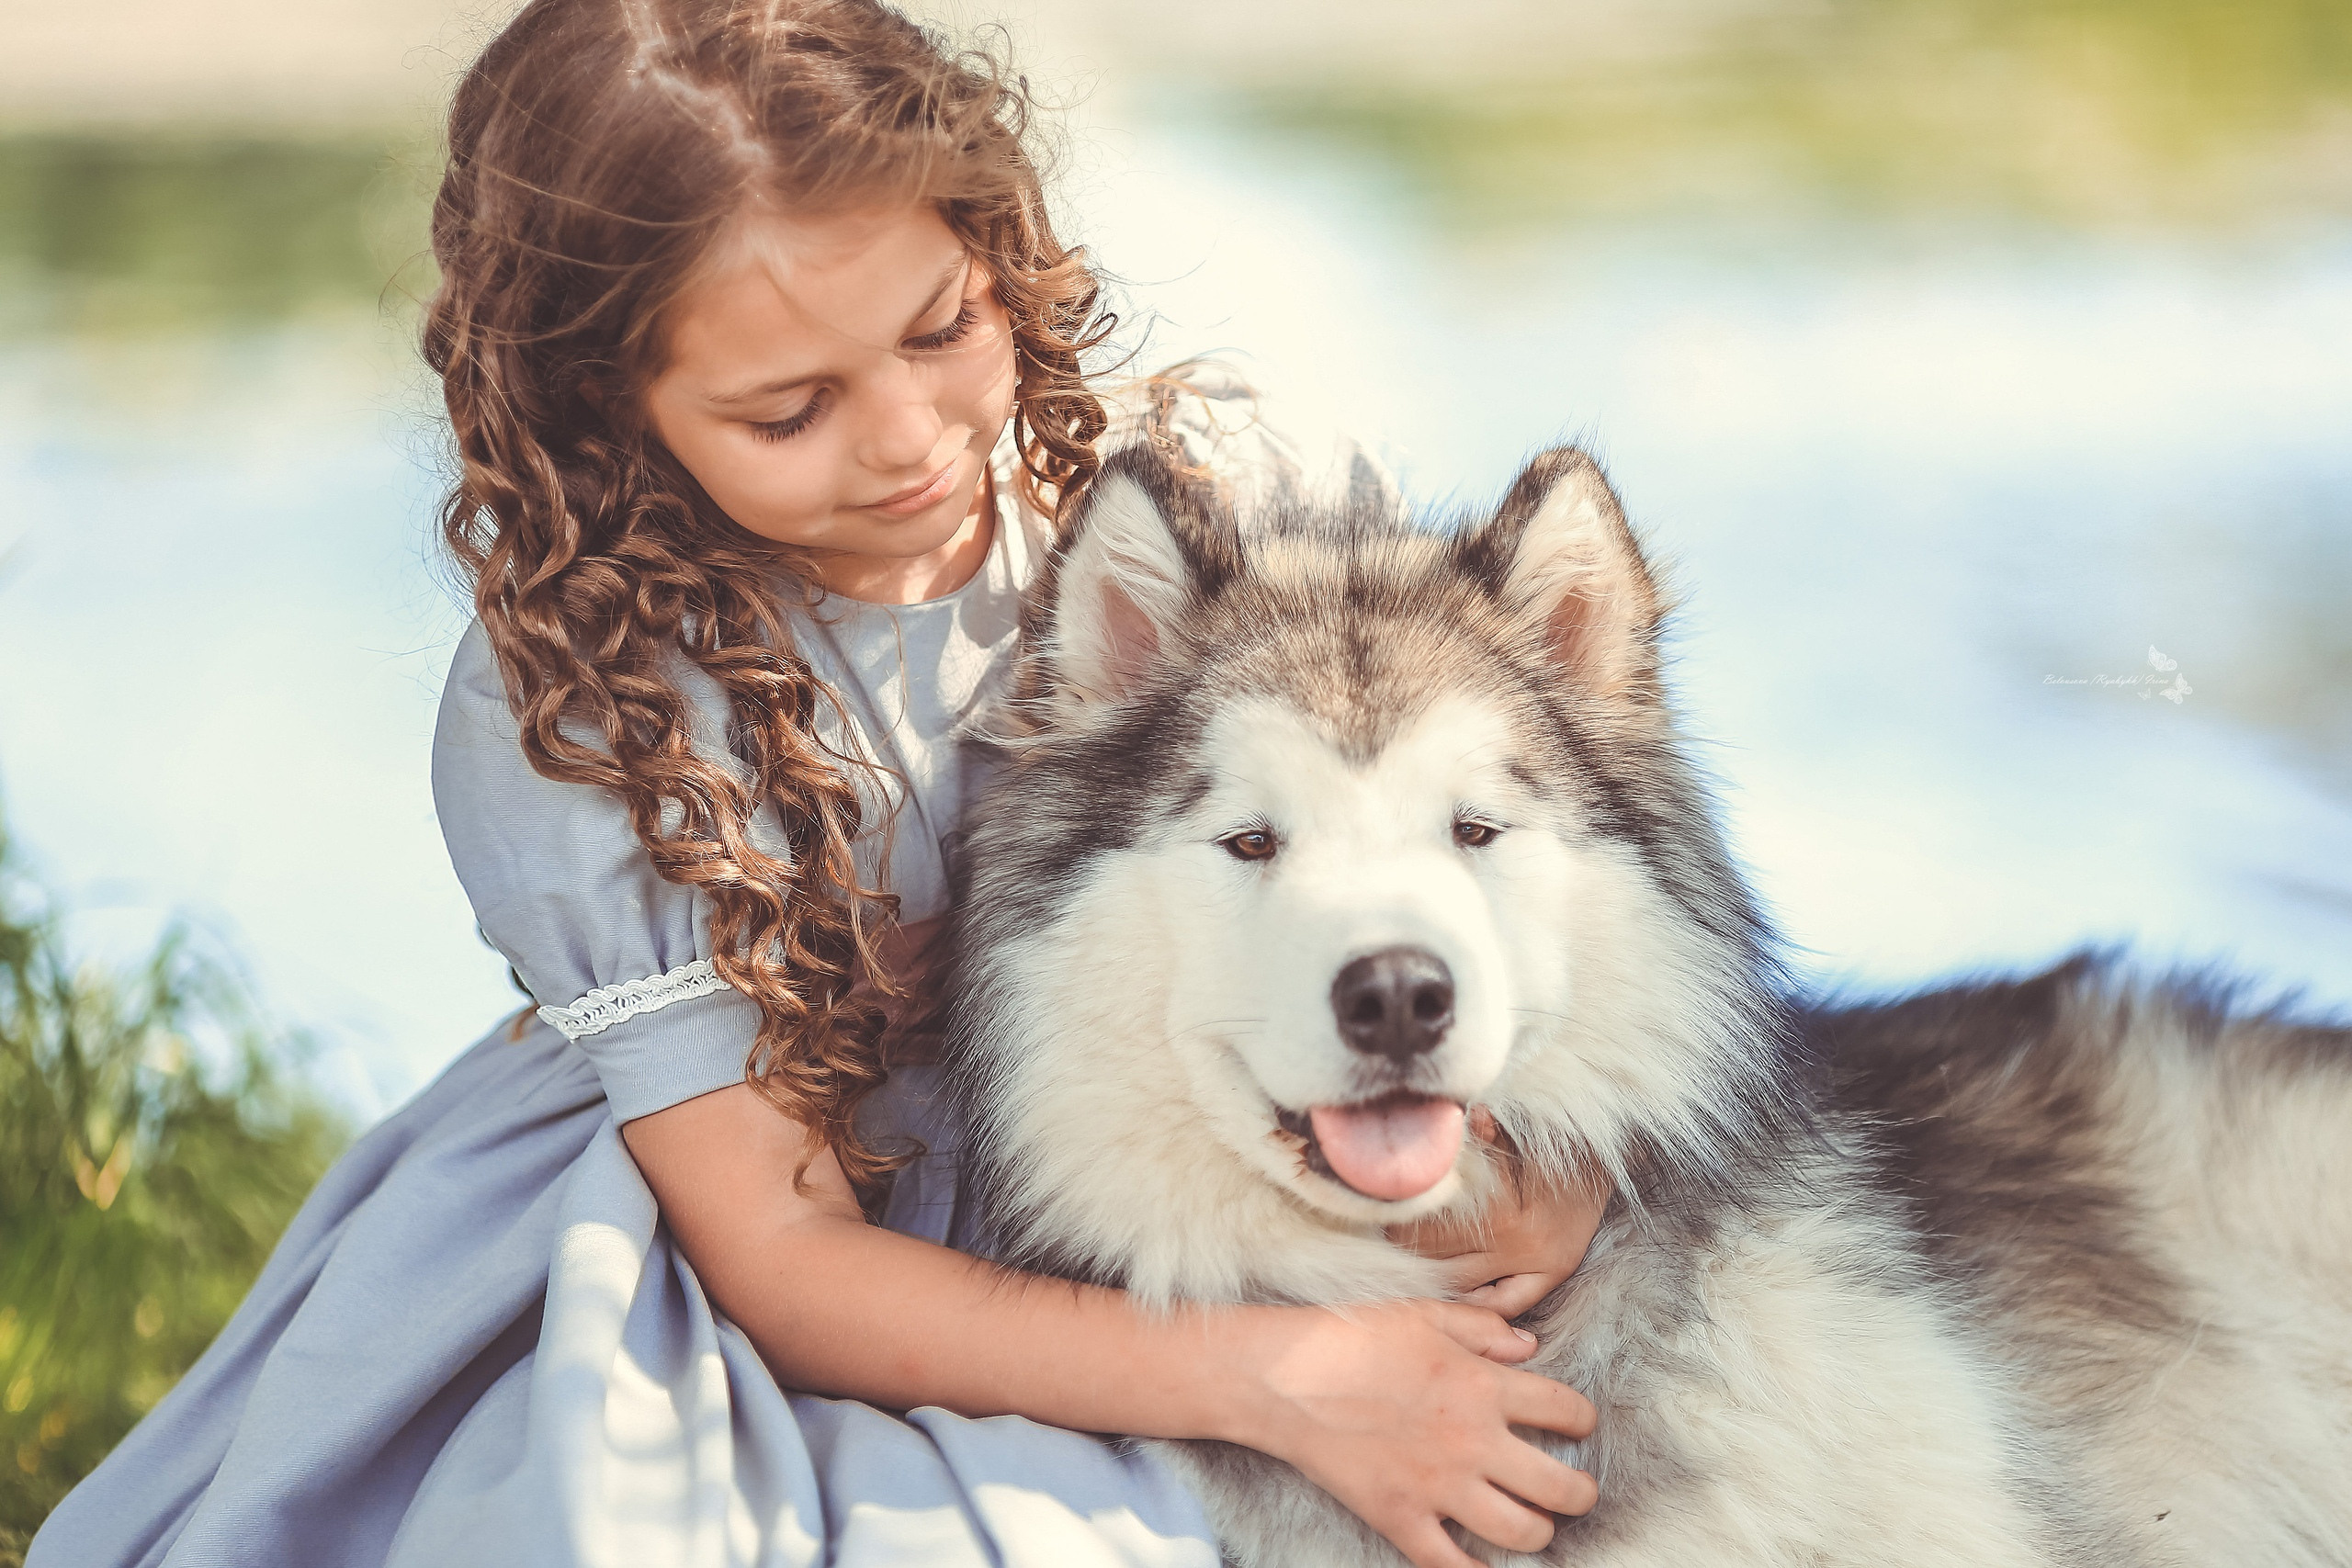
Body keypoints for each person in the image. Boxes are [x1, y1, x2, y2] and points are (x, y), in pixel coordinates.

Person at [29, 3, 1610, 1564]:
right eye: (790, 410)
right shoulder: (594, 709)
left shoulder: (1181, 517)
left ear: (1001, 245)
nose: (912, 438)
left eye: (944, 328)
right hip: (779, 1252)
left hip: (1169, 1148)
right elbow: (785, 1256)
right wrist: (1278, 1377)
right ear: (606, 413)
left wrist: (1538, 1173)